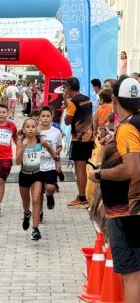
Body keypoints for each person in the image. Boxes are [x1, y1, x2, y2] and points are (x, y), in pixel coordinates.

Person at [89, 77, 140, 303]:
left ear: (117, 102)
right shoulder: (134, 124)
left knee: (131, 275)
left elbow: (131, 169)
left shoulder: (129, 126)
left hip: (128, 211)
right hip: (132, 209)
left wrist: (100, 174)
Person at [16, 118, 56, 241]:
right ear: (24, 129)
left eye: (33, 126)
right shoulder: (21, 141)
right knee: (26, 202)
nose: (30, 129)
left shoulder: (41, 141)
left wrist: (56, 159)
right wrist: (23, 147)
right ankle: (27, 214)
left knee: (36, 199)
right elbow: (17, 162)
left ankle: (35, 229)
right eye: (28, 127)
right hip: (24, 175)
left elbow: (50, 148)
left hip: (37, 174)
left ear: (36, 128)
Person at [63, 77, 94, 208]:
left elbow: (67, 121)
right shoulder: (86, 98)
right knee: (82, 168)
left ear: (69, 88)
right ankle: (82, 196)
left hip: (79, 139)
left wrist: (66, 108)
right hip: (89, 137)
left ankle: (82, 198)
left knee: (79, 169)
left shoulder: (73, 102)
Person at [38, 107, 63, 212]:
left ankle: (49, 196)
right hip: (37, 165)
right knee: (39, 191)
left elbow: (60, 146)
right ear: (39, 118)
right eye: (43, 116)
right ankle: (39, 213)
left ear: (52, 117)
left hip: (50, 164)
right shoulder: (36, 131)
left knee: (50, 188)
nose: (45, 119)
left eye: (48, 116)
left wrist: (55, 153)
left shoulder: (56, 132)